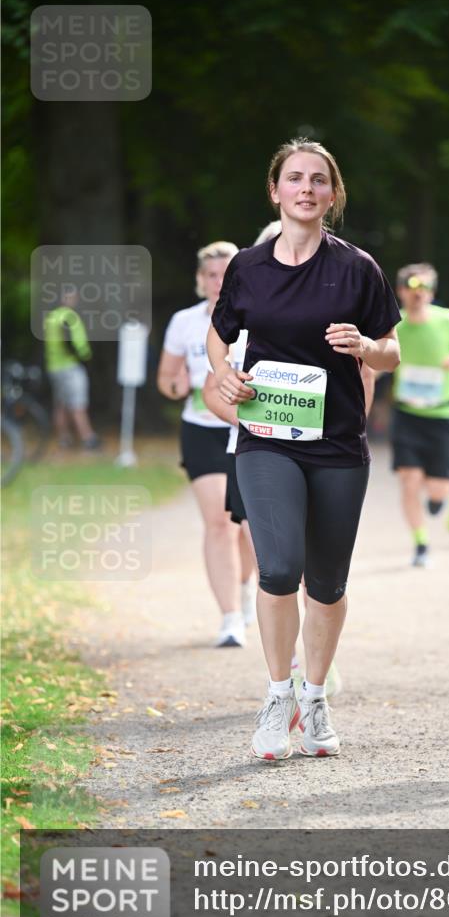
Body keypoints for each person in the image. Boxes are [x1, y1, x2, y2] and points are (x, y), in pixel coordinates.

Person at [206, 138, 400, 760]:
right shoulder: (248, 266)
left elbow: (392, 351)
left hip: (338, 443)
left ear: (332, 194)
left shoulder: (357, 267)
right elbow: (219, 335)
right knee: (279, 568)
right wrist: (225, 375)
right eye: (295, 178)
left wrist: (366, 346)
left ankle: (315, 697)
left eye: (319, 180)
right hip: (266, 439)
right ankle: (276, 694)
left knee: (327, 583)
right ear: (276, 190)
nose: (307, 188)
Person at [157, 241, 256, 648]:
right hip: (201, 429)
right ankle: (229, 618)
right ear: (201, 281)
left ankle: (246, 586)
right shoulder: (184, 321)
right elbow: (167, 377)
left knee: (250, 531)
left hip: (246, 429)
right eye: (211, 275)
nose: (218, 282)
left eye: (225, 273)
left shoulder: (256, 314)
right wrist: (176, 385)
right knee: (218, 521)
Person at [390, 263, 449, 567]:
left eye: (426, 288)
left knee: (438, 489)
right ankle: (420, 543)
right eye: (414, 288)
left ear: (432, 292)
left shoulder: (448, 320)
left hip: (442, 415)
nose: (420, 295)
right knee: (409, 480)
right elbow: (379, 358)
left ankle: (445, 498)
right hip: (406, 414)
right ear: (402, 291)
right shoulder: (395, 324)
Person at [44, 285, 101, 450]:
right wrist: (83, 357)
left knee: (60, 405)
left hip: (54, 366)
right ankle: (88, 438)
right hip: (70, 366)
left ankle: (64, 438)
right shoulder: (69, 317)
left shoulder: (51, 317)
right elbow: (71, 341)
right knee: (78, 404)